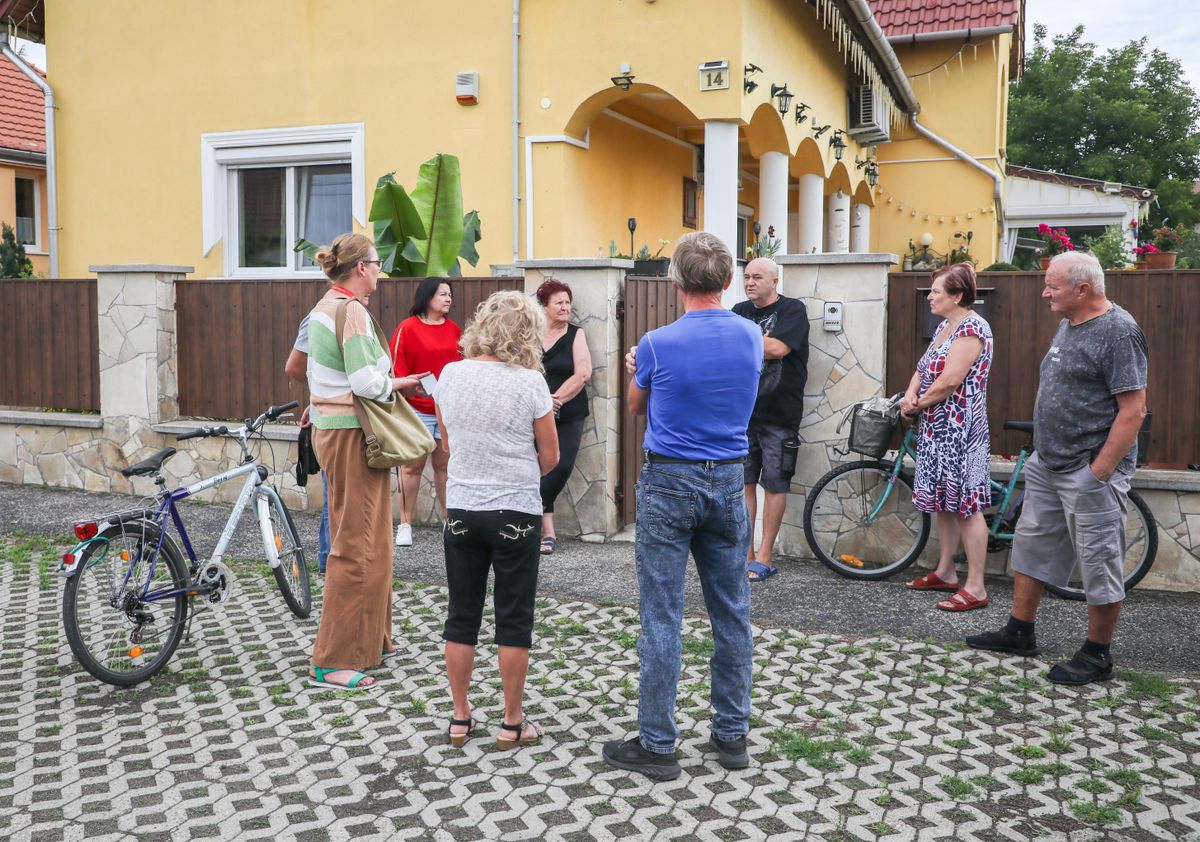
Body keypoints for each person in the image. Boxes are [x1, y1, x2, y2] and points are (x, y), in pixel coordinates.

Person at [603, 232, 762, 781]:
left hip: (670, 480)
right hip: (729, 483)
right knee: (732, 611)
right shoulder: (752, 336)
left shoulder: (655, 344)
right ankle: (732, 735)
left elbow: (636, 407)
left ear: (676, 281)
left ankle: (658, 744)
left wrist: (636, 371)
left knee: (662, 614)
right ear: (727, 281)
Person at [967, 251, 1148, 685]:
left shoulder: (1119, 332)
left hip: (1088, 470)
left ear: (1082, 289)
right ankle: (1020, 630)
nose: (1045, 292)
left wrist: (1099, 472)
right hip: (1049, 465)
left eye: (1053, 285)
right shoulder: (1069, 321)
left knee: (1098, 561)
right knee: (1030, 547)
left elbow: (1134, 410)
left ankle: (1097, 654)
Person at [433, 291, 559, 749]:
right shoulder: (530, 384)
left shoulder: (450, 375)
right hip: (516, 513)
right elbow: (550, 457)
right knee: (513, 618)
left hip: (463, 508)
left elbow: (446, 445)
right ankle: (511, 722)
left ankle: (460, 719)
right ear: (527, 334)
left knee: (461, 615)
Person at [305, 233, 426, 690]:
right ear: (360, 268)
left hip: (337, 432)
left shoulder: (323, 307)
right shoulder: (350, 310)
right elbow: (366, 383)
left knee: (372, 537)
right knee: (357, 544)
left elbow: (322, 374)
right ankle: (333, 660)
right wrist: (404, 382)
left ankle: (374, 637)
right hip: (353, 435)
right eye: (376, 263)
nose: (380, 271)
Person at [899, 263, 994, 612]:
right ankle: (946, 571)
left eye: (936, 291)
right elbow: (923, 370)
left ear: (957, 296)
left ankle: (976, 587)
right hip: (937, 428)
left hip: (961, 430)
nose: (930, 296)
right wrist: (911, 395)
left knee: (967, 506)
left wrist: (916, 405)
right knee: (944, 502)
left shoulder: (972, 328)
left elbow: (951, 380)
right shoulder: (945, 327)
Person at [732, 257, 809, 582]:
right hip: (743, 413)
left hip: (781, 414)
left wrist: (741, 342)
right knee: (744, 484)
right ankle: (745, 554)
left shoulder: (793, 310)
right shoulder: (738, 311)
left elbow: (778, 348)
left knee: (776, 484)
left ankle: (765, 554)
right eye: (747, 277)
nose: (749, 282)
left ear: (774, 281)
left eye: (757, 277)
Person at [390, 278, 461, 547]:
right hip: (415, 410)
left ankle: (448, 520)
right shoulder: (407, 329)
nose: (448, 299)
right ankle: (405, 523)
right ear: (427, 296)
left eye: (450, 295)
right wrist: (410, 391)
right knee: (411, 467)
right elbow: (397, 367)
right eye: (443, 294)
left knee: (444, 467)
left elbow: (461, 366)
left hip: (446, 410)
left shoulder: (454, 329)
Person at [535, 279, 593, 554]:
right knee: (535, 468)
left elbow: (582, 373)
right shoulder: (531, 335)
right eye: (558, 302)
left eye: (568, 302)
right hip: (533, 414)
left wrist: (554, 400)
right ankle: (547, 531)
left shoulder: (575, 334)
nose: (565, 307)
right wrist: (542, 405)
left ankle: (528, 514)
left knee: (560, 466)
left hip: (568, 412)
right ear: (544, 306)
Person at [285, 314, 329, 575]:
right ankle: (329, 562)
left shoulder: (345, 311)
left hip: (326, 415)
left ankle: (327, 561)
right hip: (333, 421)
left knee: (334, 496)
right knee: (334, 495)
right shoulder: (321, 316)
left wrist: (317, 398)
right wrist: (319, 395)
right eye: (372, 269)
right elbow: (293, 366)